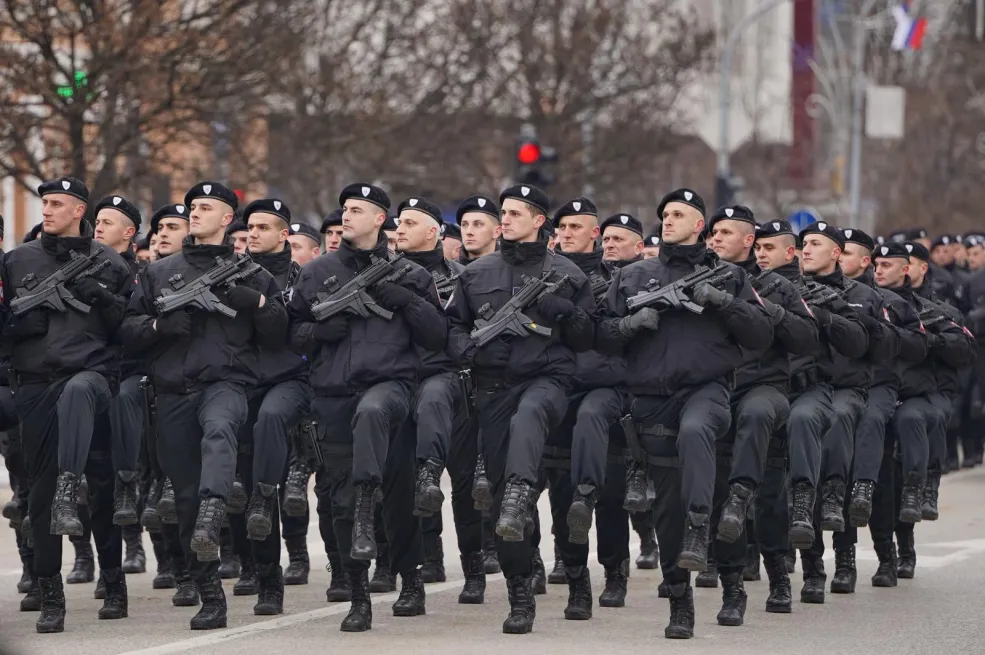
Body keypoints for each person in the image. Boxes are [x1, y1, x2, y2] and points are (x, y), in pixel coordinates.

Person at [596, 189, 772, 639]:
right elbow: (600, 334)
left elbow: (761, 334)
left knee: (697, 440)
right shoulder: (634, 275)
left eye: (679, 214)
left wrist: (723, 301)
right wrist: (630, 325)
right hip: (652, 399)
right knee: (667, 505)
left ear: (700, 227)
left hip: (707, 392)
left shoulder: (729, 275)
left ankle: (729, 579)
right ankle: (680, 600)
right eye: (665, 214)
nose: (668, 220)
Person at [120, 181, 287, 630]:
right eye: (192, 207)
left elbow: (280, 334)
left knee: (219, 432)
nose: (195, 213)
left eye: (206, 207)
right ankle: (211, 596)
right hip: (173, 391)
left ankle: (223, 515)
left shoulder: (250, 272)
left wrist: (259, 302)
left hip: (226, 384)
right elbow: (129, 332)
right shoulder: (159, 272)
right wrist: (159, 324)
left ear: (227, 218)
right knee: (187, 498)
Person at [288, 182, 446, 632]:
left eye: (357, 210)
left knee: (396, 496)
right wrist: (320, 334)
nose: (346, 216)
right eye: (344, 209)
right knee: (340, 498)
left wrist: (410, 303)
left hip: (391, 389)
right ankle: (358, 595)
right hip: (333, 394)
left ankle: (410, 579)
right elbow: (291, 333)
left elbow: (438, 335)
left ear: (380, 219)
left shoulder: (410, 274)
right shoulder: (317, 273)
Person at [446, 183, 595, 634]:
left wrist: (566, 312)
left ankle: (576, 576)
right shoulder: (476, 273)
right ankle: (519, 592)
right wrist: (472, 354)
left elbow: (590, 338)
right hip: (493, 388)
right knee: (506, 511)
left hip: (549, 381)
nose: (504, 220)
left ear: (538, 221)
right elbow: (452, 330)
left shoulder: (568, 272)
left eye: (514, 213)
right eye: (503, 213)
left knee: (531, 428)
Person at [1, 176, 133, 633]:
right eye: (45, 203)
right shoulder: (17, 261)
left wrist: (106, 300)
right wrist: (21, 327)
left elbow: (129, 331)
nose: (48, 210)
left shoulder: (110, 261)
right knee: (40, 493)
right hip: (36, 382)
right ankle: (51, 594)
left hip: (92, 380)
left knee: (98, 487)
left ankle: (114, 583)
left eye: (57, 203)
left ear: (80, 210)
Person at [705, 206, 818, 623]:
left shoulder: (774, 286)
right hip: (715, 391)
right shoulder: (699, 279)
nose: (714, 239)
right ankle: (732, 589)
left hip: (765, 389)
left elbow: (807, 336)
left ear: (748, 241)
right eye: (712, 232)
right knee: (719, 498)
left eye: (724, 233)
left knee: (768, 496)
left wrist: (763, 309)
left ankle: (778, 576)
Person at [457, 196, 501, 263]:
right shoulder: (449, 272)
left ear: (496, 232)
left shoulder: (512, 271)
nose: (469, 232)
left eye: (478, 224)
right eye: (464, 225)